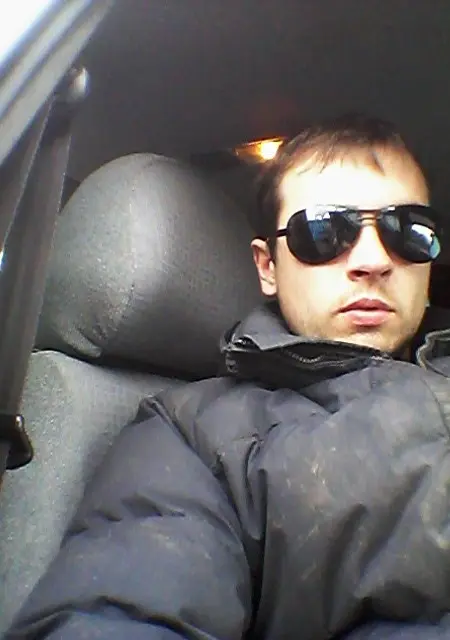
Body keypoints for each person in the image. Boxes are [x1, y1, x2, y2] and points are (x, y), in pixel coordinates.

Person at [7, 114, 450, 640]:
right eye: (323, 232)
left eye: (407, 230)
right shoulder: (197, 434)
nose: (374, 260)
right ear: (267, 267)